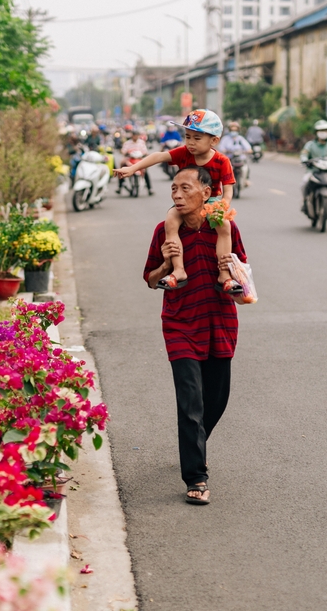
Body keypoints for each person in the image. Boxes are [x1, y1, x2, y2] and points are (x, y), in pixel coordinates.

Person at [142, 165, 248, 505]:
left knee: (215, 401)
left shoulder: (224, 228)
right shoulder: (164, 230)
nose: (176, 194)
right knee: (190, 402)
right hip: (180, 324)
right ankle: (196, 477)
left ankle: (194, 442)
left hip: (220, 323)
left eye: (185, 188)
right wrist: (164, 263)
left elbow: (242, 272)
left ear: (206, 192)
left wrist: (233, 274)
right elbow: (149, 278)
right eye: (173, 188)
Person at [115, 109, 238, 293]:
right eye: (188, 137)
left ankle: (224, 275)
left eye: (197, 138)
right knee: (171, 218)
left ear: (214, 140)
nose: (190, 142)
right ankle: (179, 270)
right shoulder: (184, 153)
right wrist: (134, 168)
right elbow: (159, 156)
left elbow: (228, 190)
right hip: (186, 203)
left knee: (225, 227)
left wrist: (223, 206)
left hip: (212, 201)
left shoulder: (222, 161)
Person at [119, 130, 152, 195]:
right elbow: (123, 151)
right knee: (121, 167)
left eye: (137, 135)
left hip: (139, 159)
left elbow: (145, 151)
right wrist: (125, 153)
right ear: (132, 136)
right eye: (134, 135)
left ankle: (149, 188)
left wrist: (145, 154)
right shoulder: (127, 143)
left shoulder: (141, 142)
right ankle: (120, 187)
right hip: (129, 158)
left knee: (145, 170)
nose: (135, 137)